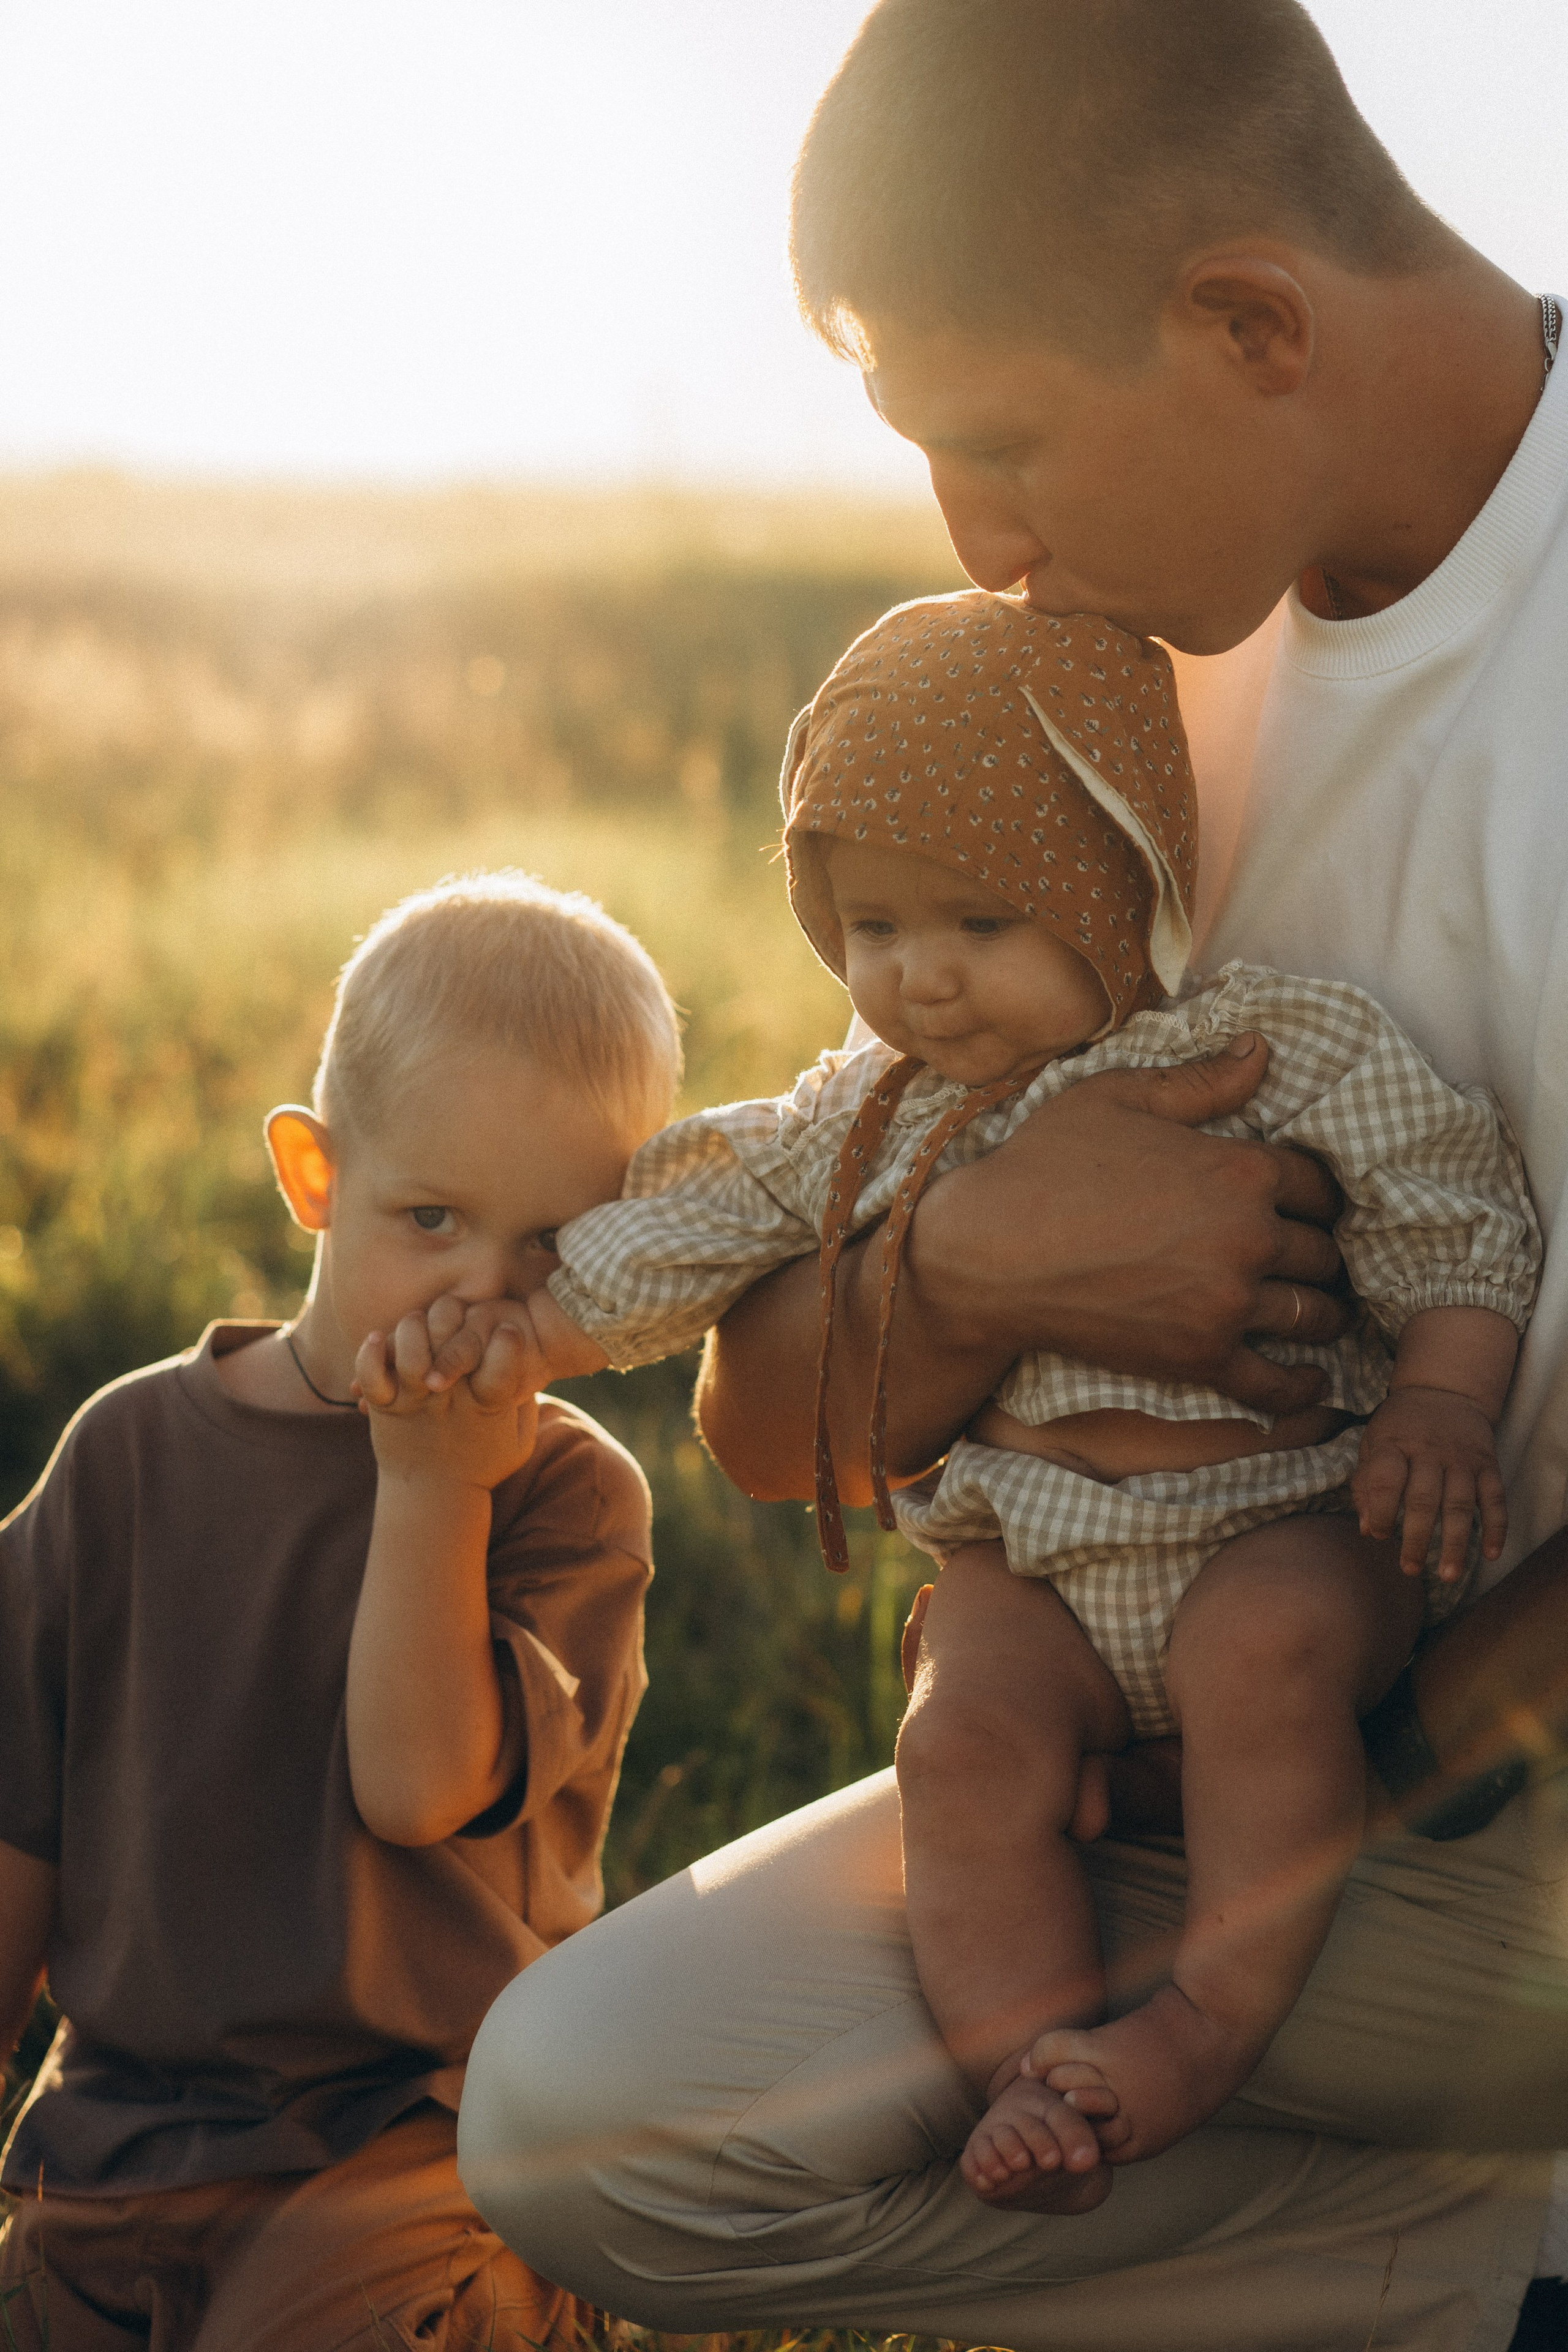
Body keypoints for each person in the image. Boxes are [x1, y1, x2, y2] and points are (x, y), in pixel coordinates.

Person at [453, 4, 1568, 2348]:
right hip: (1155, 1718)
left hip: (1459, 1762)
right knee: (582, 2122)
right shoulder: (1103, 690)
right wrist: (978, 1264)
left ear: (1249, 320)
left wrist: (1325, 1682)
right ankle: (1449, 2265)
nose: (975, 539)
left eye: (1004, 443)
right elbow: (776, 1420)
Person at [464, 587, 1539, 2198]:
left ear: (1118, 892)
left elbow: (1452, 1197)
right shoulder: (873, 1111)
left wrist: (1442, 1403)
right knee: (960, 1744)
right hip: (1030, 1558)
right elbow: (691, 1223)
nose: (926, 982)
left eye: (980, 924)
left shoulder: (1273, 1046)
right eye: (877, 931)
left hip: (1272, 1517)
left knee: (1268, 1656)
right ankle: (1028, 2071)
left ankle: (1196, 2031)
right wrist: (525, 1317)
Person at [0, 872, 679, 2351]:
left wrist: (434, 1485)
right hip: (126, 2141)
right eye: (428, 1217)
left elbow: (416, 1783)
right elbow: (19, 1828)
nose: (477, 1294)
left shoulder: (569, 1503)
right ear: (314, 1178)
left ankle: (552, 2295)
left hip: (421, 2136)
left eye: (552, 1250)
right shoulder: (125, 1459)